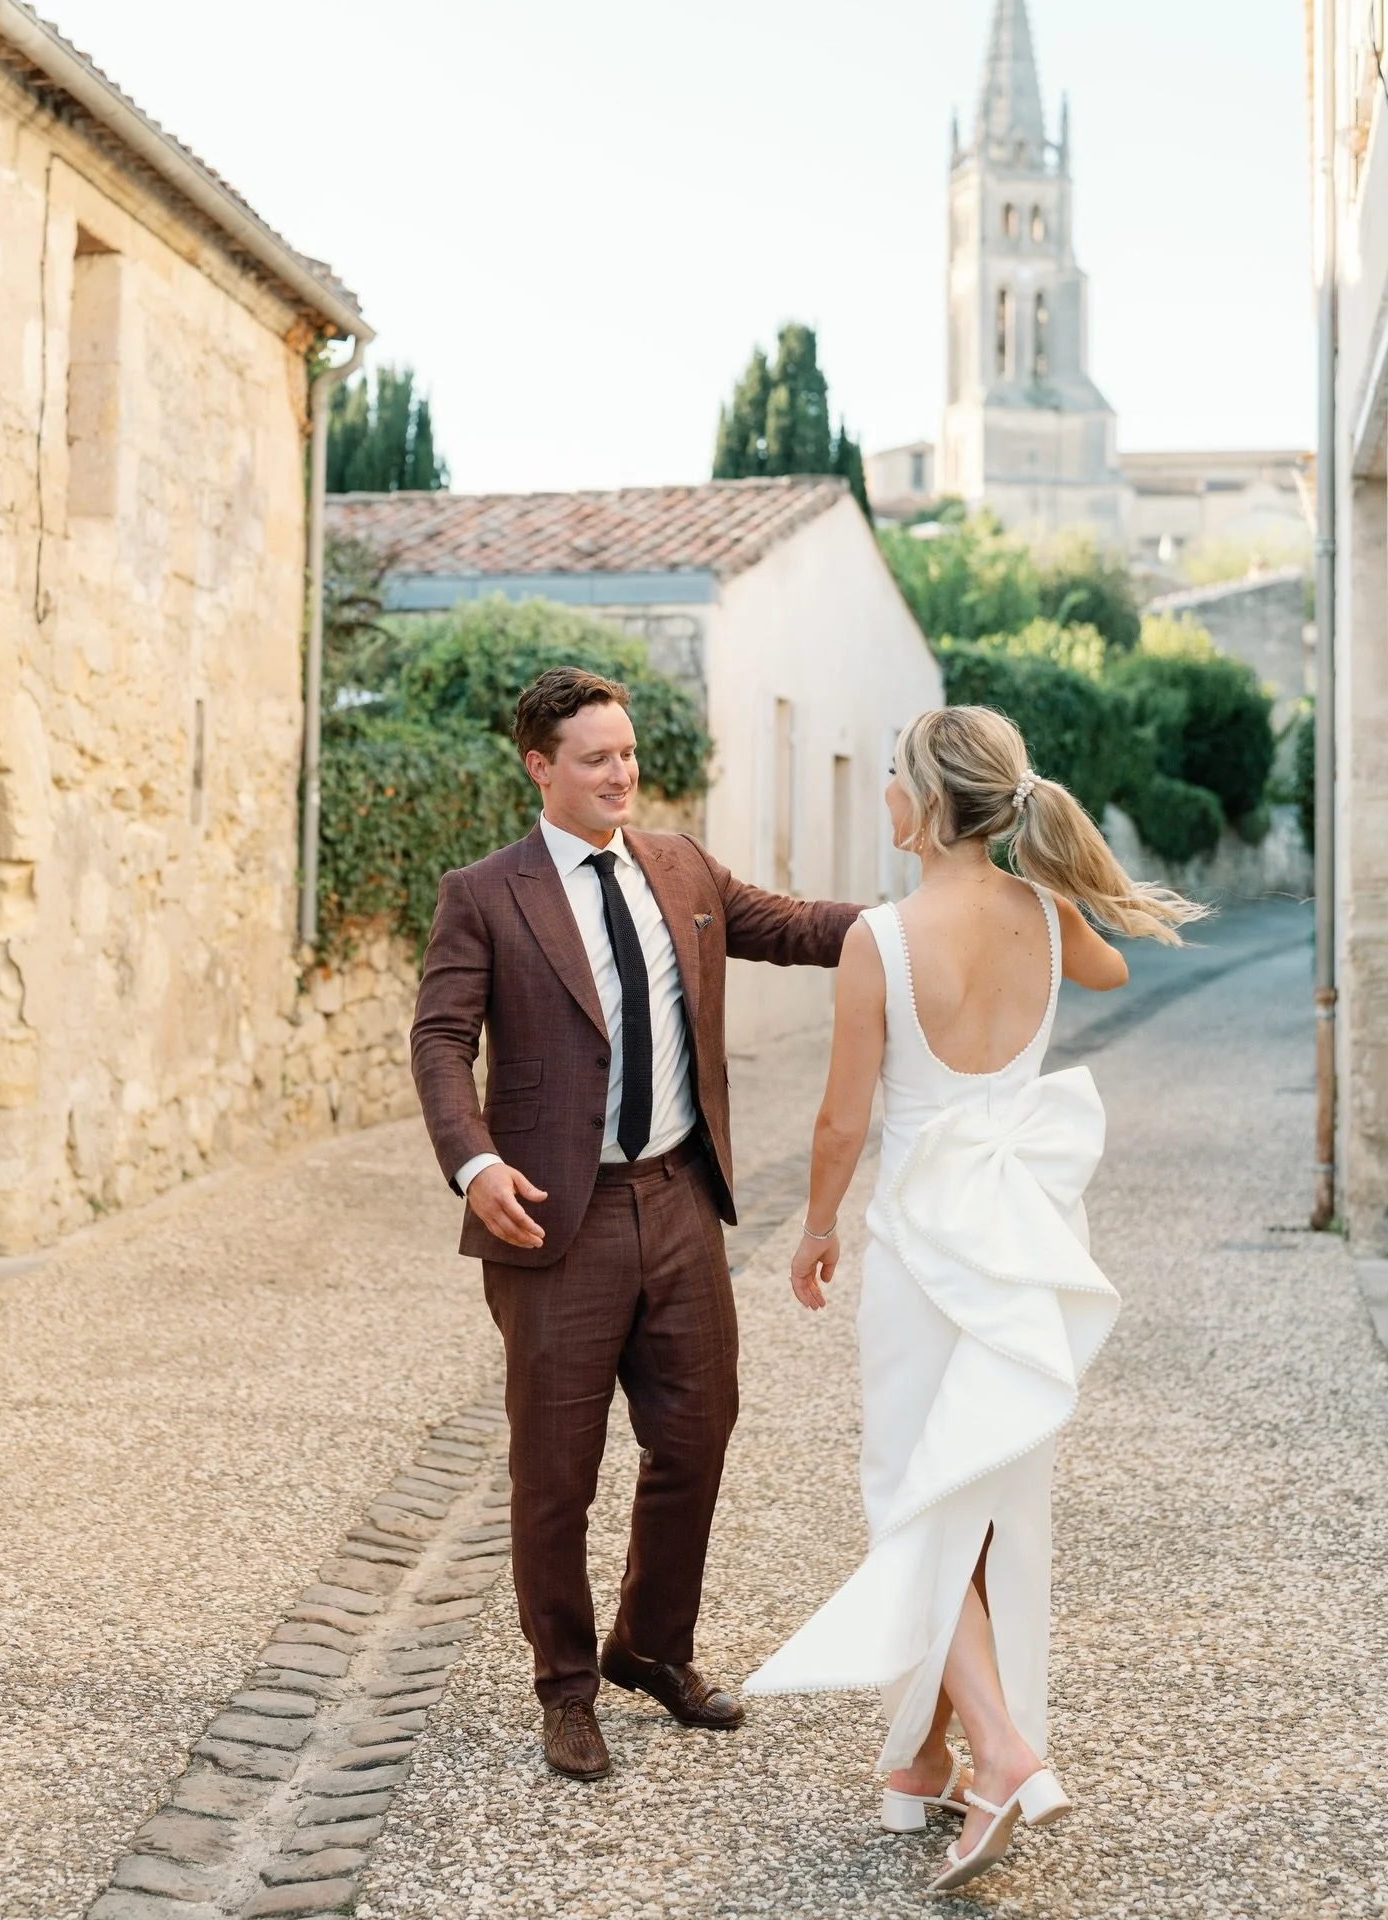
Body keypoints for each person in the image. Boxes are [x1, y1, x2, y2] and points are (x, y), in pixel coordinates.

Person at [744, 705, 1205, 1893]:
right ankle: (920, 1760)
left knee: (912, 1492)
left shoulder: (882, 940)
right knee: (982, 1495)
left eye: (893, 782)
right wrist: (1048, 873)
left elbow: (843, 1119)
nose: (884, 802)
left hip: (919, 1247)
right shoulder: (1047, 918)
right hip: (1019, 1241)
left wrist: (814, 1229)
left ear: (927, 802)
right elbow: (1106, 961)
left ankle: (1000, 1751)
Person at [411, 665, 860, 1782]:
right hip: (553, 1222)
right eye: (598, 758)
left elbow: (799, 927)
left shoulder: (681, 867)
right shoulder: (486, 892)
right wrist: (472, 1163)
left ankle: (651, 1646)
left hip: (679, 1199)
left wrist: (933, 917)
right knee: (556, 1473)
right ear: (540, 768)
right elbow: (438, 1041)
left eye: (629, 752)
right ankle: (564, 1689)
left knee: (696, 1436)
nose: (623, 774)